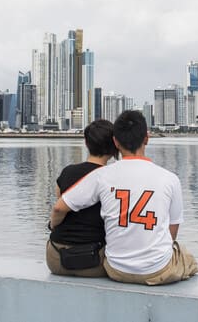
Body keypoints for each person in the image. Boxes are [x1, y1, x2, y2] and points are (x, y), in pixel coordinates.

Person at [49, 109, 198, 285]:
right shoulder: (170, 179)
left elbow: (60, 206)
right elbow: (172, 232)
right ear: (146, 138)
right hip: (157, 269)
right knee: (186, 257)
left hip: (116, 269)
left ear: (116, 142)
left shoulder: (101, 175)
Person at [45, 119, 118, 277]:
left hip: (56, 258)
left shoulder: (67, 172)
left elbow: (59, 205)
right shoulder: (113, 179)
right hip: (94, 260)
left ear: (86, 143)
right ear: (114, 146)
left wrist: (52, 226)